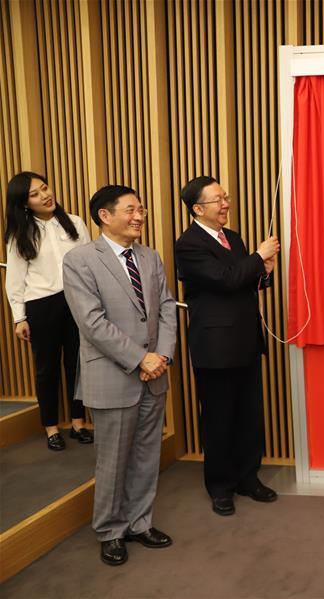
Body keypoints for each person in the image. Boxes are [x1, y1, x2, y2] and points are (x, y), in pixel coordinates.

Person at [62, 185, 177, 566]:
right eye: (131, 209)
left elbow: (165, 308)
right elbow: (91, 322)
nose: (139, 216)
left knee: (146, 455)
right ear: (105, 216)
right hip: (113, 374)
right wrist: (139, 358)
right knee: (112, 460)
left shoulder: (150, 256)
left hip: (154, 371)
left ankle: (139, 523)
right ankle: (110, 530)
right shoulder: (80, 260)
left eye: (141, 209)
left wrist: (161, 355)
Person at [174, 176, 280, 516]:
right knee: (219, 419)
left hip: (246, 340)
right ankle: (220, 487)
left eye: (226, 197)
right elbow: (225, 279)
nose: (225, 204)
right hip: (215, 346)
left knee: (250, 415)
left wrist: (265, 271)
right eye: (218, 199)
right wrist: (258, 256)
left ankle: (249, 478)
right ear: (197, 208)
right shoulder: (188, 244)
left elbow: (244, 280)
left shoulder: (232, 237)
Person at [4, 172, 93, 450]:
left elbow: (90, 265)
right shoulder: (20, 234)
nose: (45, 195)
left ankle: (79, 422)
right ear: (24, 203)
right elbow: (15, 279)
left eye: (45, 188)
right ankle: (51, 427)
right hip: (42, 305)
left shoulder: (75, 223)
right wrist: (19, 318)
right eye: (35, 194)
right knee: (46, 368)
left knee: (78, 364)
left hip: (77, 300)